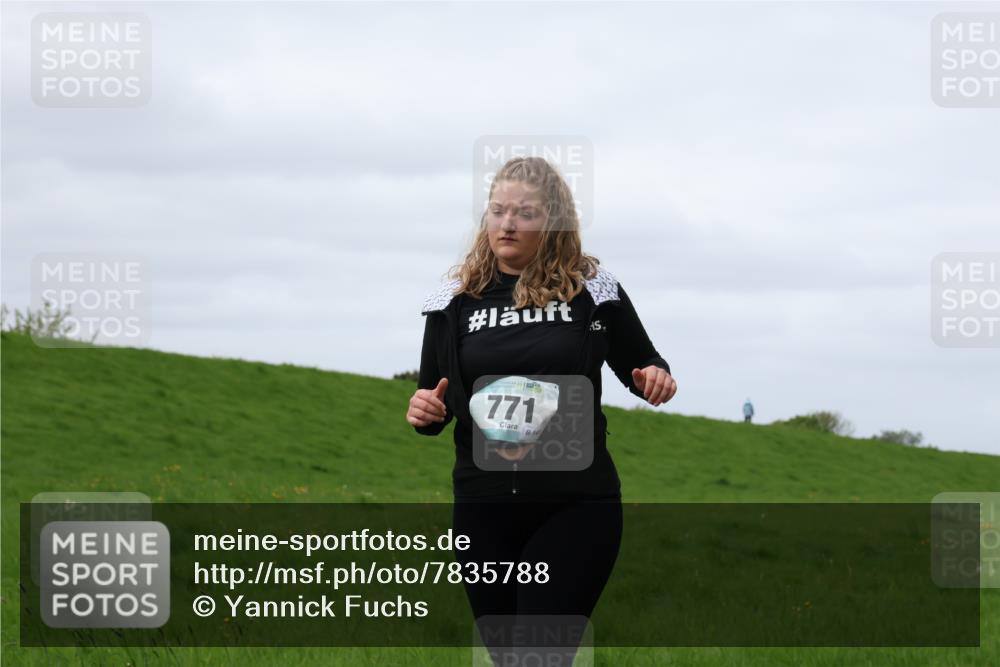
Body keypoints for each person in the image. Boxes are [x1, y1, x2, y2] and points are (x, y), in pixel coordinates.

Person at [405, 156, 676, 664]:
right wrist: (425, 411)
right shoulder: (452, 300)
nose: (507, 223)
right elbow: (435, 400)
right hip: (482, 507)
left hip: (575, 503)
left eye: (524, 213)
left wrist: (653, 378)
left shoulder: (593, 289)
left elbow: (644, 365)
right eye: (497, 210)